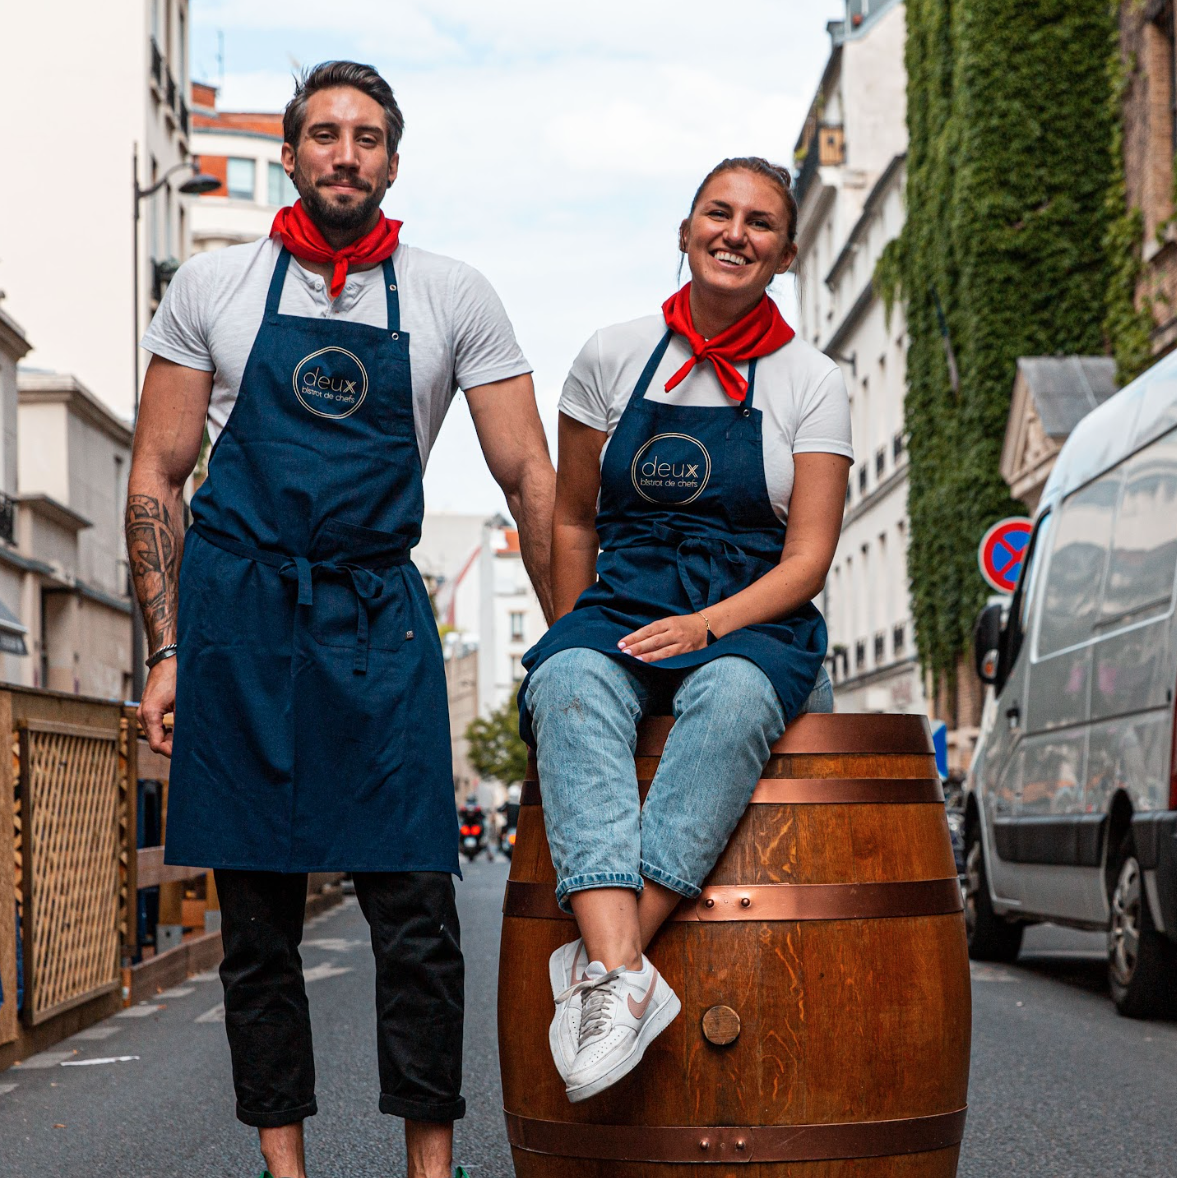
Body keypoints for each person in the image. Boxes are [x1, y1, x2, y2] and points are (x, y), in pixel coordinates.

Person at [129, 61, 554, 1178]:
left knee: (418, 910)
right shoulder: (212, 288)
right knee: (257, 921)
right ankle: (286, 1165)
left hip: (377, 615)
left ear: (393, 162)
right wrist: (167, 647)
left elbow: (530, 479)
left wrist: (572, 646)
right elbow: (155, 477)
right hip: (240, 618)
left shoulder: (452, 293)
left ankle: (431, 1163)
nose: (345, 153)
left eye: (367, 137)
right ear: (293, 153)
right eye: (325, 133)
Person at [518, 157, 850, 1103]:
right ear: (685, 228)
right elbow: (574, 519)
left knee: (734, 694)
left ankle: (607, 966)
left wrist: (706, 626)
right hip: (624, 599)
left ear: (785, 254)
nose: (735, 233)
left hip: (752, 611)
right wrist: (575, 631)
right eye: (719, 212)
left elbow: (808, 561)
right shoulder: (610, 354)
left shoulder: (810, 381)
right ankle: (622, 973)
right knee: (566, 684)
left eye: (759, 223)